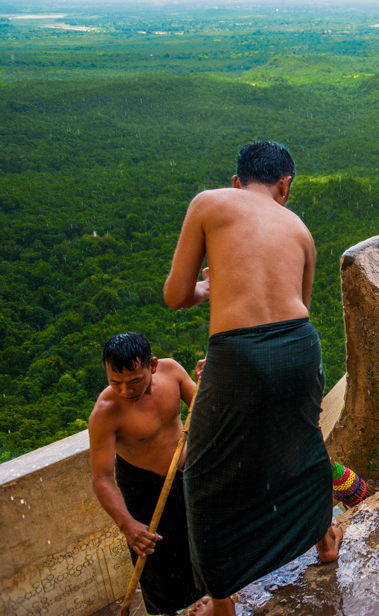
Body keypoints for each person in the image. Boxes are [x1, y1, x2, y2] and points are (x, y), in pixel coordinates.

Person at [163, 140, 341, 602]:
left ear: (237, 181)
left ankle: (221, 599)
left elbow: (176, 295)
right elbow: (299, 303)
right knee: (300, 442)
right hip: (300, 347)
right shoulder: (299, 228)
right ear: (285, 185)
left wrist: (208, 286)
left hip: (238, 352)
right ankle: (323, 538)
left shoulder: (210, 202)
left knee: (203, 476)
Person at [88, 333, 235, 616]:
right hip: (142, 486)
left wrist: (208, 383)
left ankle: (212, 602)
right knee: (159, 562)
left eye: (134, 381)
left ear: (152, 366)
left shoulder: (172, 372)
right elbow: (102, 478)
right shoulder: (106, 412)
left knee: (204, 543)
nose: (125, 391)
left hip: (186, 470)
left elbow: (203, 411)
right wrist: (127, 525)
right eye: (114, 382)